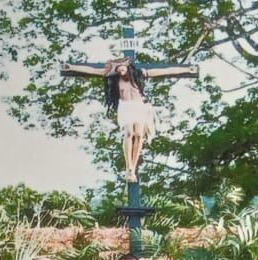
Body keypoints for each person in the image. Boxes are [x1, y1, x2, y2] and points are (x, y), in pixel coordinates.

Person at [61, 57, 196, 182]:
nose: (120, 71)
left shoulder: (139, 74)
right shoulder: (115, 79)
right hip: (125, 107)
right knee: (129, 133)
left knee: (139, 134)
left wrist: (186, 69)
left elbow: (164, 71)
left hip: (139, 106)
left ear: (127, 66)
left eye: (122, 68)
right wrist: (72, 67)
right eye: (118, 70)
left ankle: (133, 167)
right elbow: (93, 70)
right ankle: (129, 167)